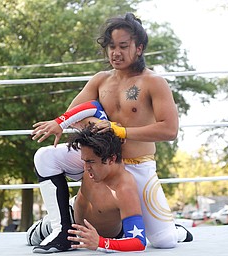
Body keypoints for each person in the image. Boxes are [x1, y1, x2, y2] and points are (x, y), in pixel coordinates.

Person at [31, 12, 193, 253]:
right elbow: (73, 113)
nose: (116, 52)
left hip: (137, 165)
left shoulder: (153, 82)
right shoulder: (100, 80)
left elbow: (169, 129)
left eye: (123, 46)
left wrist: (119, 130)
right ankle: (60, 228)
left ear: (139, 48)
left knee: (164, 241)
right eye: (111, 46)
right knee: (45, 156)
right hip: (102, 160)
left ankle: (173, 227)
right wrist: (96, 129)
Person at [27, 124, 147, 252]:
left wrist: (101, 243)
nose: (85, 167)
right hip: (71, 218)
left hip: (101, 235)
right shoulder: (93, 163)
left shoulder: (124, 190)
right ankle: (61, 232)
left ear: (112, 159)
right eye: (84, 161)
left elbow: (138, 242)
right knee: (30, 237)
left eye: (90, 162)